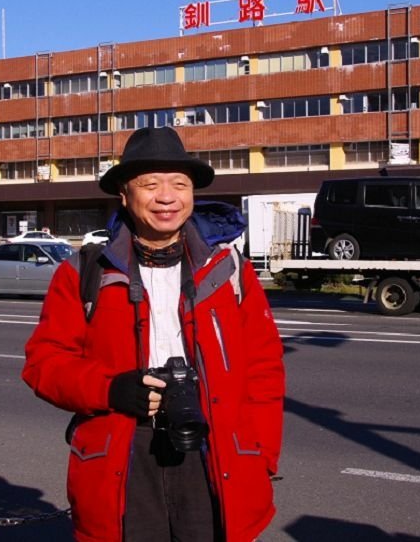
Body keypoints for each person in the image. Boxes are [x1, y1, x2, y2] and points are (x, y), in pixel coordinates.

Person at [22, 126, 285, 542]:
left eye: (180, 184)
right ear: (124, 195)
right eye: (150, 184)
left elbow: (265, 369)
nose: (167, 196)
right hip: (125, 452)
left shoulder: (231, 270)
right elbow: (44, 364)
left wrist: (261, 455)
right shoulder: (84, 271)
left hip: (213, 450)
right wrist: (109, 390)